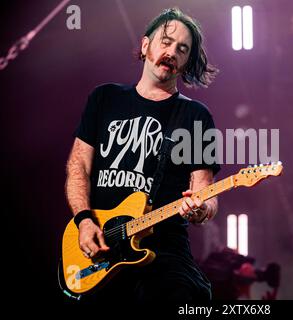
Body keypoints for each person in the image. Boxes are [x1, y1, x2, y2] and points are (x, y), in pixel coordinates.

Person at [64, 7, 220, 303]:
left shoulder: (196, 116)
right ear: (146, 45)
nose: (172, 52)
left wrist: (201, 209)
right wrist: (84, 221)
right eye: (166, 41)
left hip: (163, 248)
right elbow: (78, 166)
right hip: (101, 246)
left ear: (185, 62)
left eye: (182, 49)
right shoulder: (104, 98)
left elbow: (206, 192)